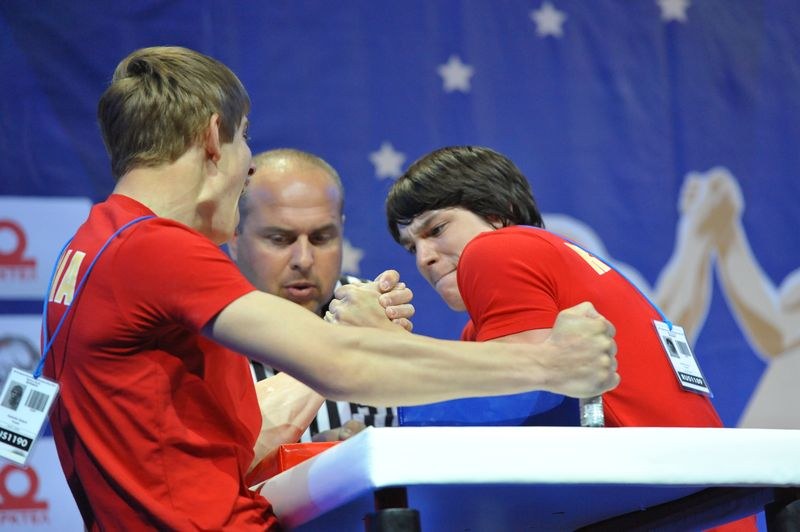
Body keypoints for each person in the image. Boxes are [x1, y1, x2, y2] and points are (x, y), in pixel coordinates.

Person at [42, 47, 618, 531]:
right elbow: (345, 366)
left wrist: (335, 332)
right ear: (214, 137)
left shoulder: (93, 246)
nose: (247, 170)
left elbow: (228, 433)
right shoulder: (156, 247)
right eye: (246, 140)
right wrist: (546, 362)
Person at [385, 145, 723, 428]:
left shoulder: (495, 249)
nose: (423, 259)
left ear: (498, 214)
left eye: (437, 230)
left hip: (674, 499)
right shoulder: (550, 265)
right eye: (412, 247)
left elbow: (518, 403)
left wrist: (381, 349)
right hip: (701, 494)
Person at [229, 148, 401, 442]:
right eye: (280, 239)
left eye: (322, 238)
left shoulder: (375, 312)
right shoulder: (196, 333)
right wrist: (304, 468)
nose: (304, 259)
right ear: (233, 236)